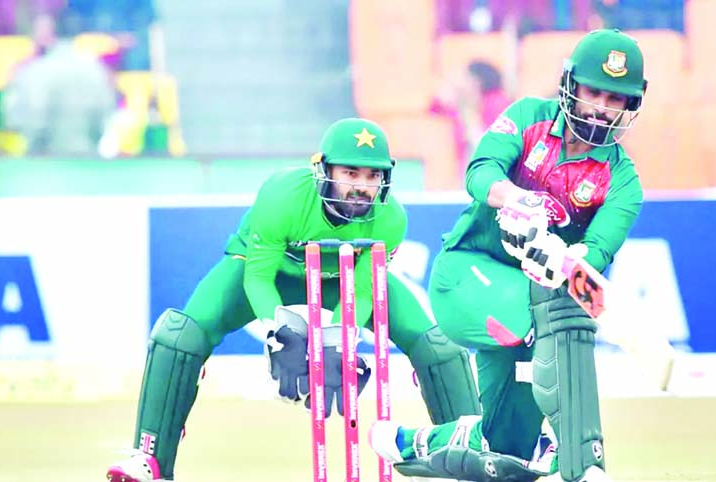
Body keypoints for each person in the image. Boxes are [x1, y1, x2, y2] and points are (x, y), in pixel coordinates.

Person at [105, 118, 481, 482]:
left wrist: (342, 336)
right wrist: (279, 330)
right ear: (323, 168)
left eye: (372, 176)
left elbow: (364, 291)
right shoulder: (283, 194)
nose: (361, 187)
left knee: (439, 347)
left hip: (341, 279)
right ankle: (150, 459)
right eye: (350, 173)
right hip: (270, 273)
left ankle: (477, 460)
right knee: (178, 335)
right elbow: (258, 277)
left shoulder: (391, 219)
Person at [369, 28, 647, 482]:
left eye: (615, 98)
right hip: (467, 275)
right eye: (594, 91)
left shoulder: (623, 182)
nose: (601, 107)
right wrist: (517, 200)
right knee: (556, 310)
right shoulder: (528, 118)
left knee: (504, 448)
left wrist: (563, 257)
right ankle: (577, 457)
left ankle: (413, 443)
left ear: (632, 105)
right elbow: (480, 171)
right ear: (571, 84)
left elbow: (594, 254)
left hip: (530, 312)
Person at [2, 10, 116, 156]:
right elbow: (106, 116)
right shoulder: (97, 70)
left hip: (43, 163)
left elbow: (18, 121)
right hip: (88, 160)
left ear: (51, 33)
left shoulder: (34, 71)